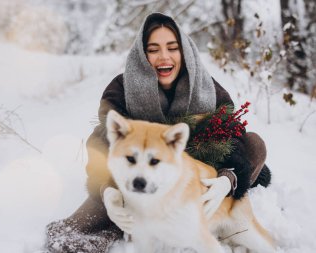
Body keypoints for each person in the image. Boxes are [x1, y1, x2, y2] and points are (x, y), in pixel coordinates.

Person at [45, 12, 271, 253]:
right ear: (142, 55)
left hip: (195, 177)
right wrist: (107, 191)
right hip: (137, 175)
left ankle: (209, 208)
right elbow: (101, 141)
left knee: (254, 145)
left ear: (184, 51)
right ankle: (118, 226)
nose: (164, 56)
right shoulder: (121, 89)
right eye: (153, 49)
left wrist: (228, 179)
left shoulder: (209, 88)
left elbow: (233, 137)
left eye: (172, 48)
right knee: (67, 233)